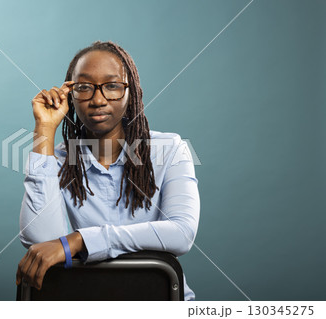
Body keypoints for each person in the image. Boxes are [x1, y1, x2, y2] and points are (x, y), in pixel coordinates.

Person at [16, 41, 200, 300]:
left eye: (112, 86)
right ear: (70, 94)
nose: (98, 99)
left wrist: (80, 240)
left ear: (130, 92)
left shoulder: (169, 149)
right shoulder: (56, 160)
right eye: (84, 87)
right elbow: (43, 242)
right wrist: (44, 130)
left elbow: (181, 233)